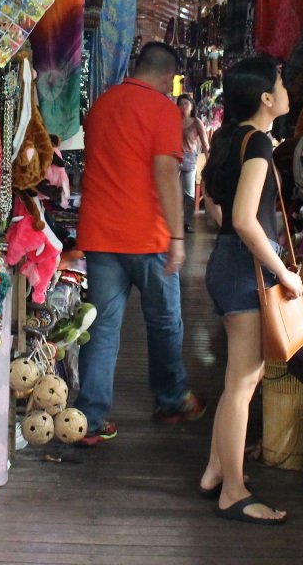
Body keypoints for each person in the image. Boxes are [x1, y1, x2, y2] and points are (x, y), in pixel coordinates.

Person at [73, 41, 205, 446]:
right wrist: (178, 237)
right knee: (165, 322)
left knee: (103, 328)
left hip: (100, 234)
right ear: (168, 77)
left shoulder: (102, 104)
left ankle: (90, 420)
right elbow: (167, 175)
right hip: (148, 237)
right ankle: (170, 399)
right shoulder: (163, 110)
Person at [198, 55, 296, 525]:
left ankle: (217, 471)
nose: (285, 88)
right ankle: (233, 492)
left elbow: (216, 207)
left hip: (228, 264)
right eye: (280, 82)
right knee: (242, 384)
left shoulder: (230, 138)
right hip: (245, 270)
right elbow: (242, 219)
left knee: (241, 380)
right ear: (265, 97)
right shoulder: (256, 142)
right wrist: (284, 271)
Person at [178, 95, 208, 233]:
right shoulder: (173, 120)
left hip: (190, 159)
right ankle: (173, 220)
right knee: (173, 191)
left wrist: (209, 162)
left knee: (189, 193)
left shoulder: (197, 122)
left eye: (186, 104)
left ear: (191, 106)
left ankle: (187, 222)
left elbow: (206, 144)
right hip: (175, 158)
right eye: (181, 104)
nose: (184, 107)